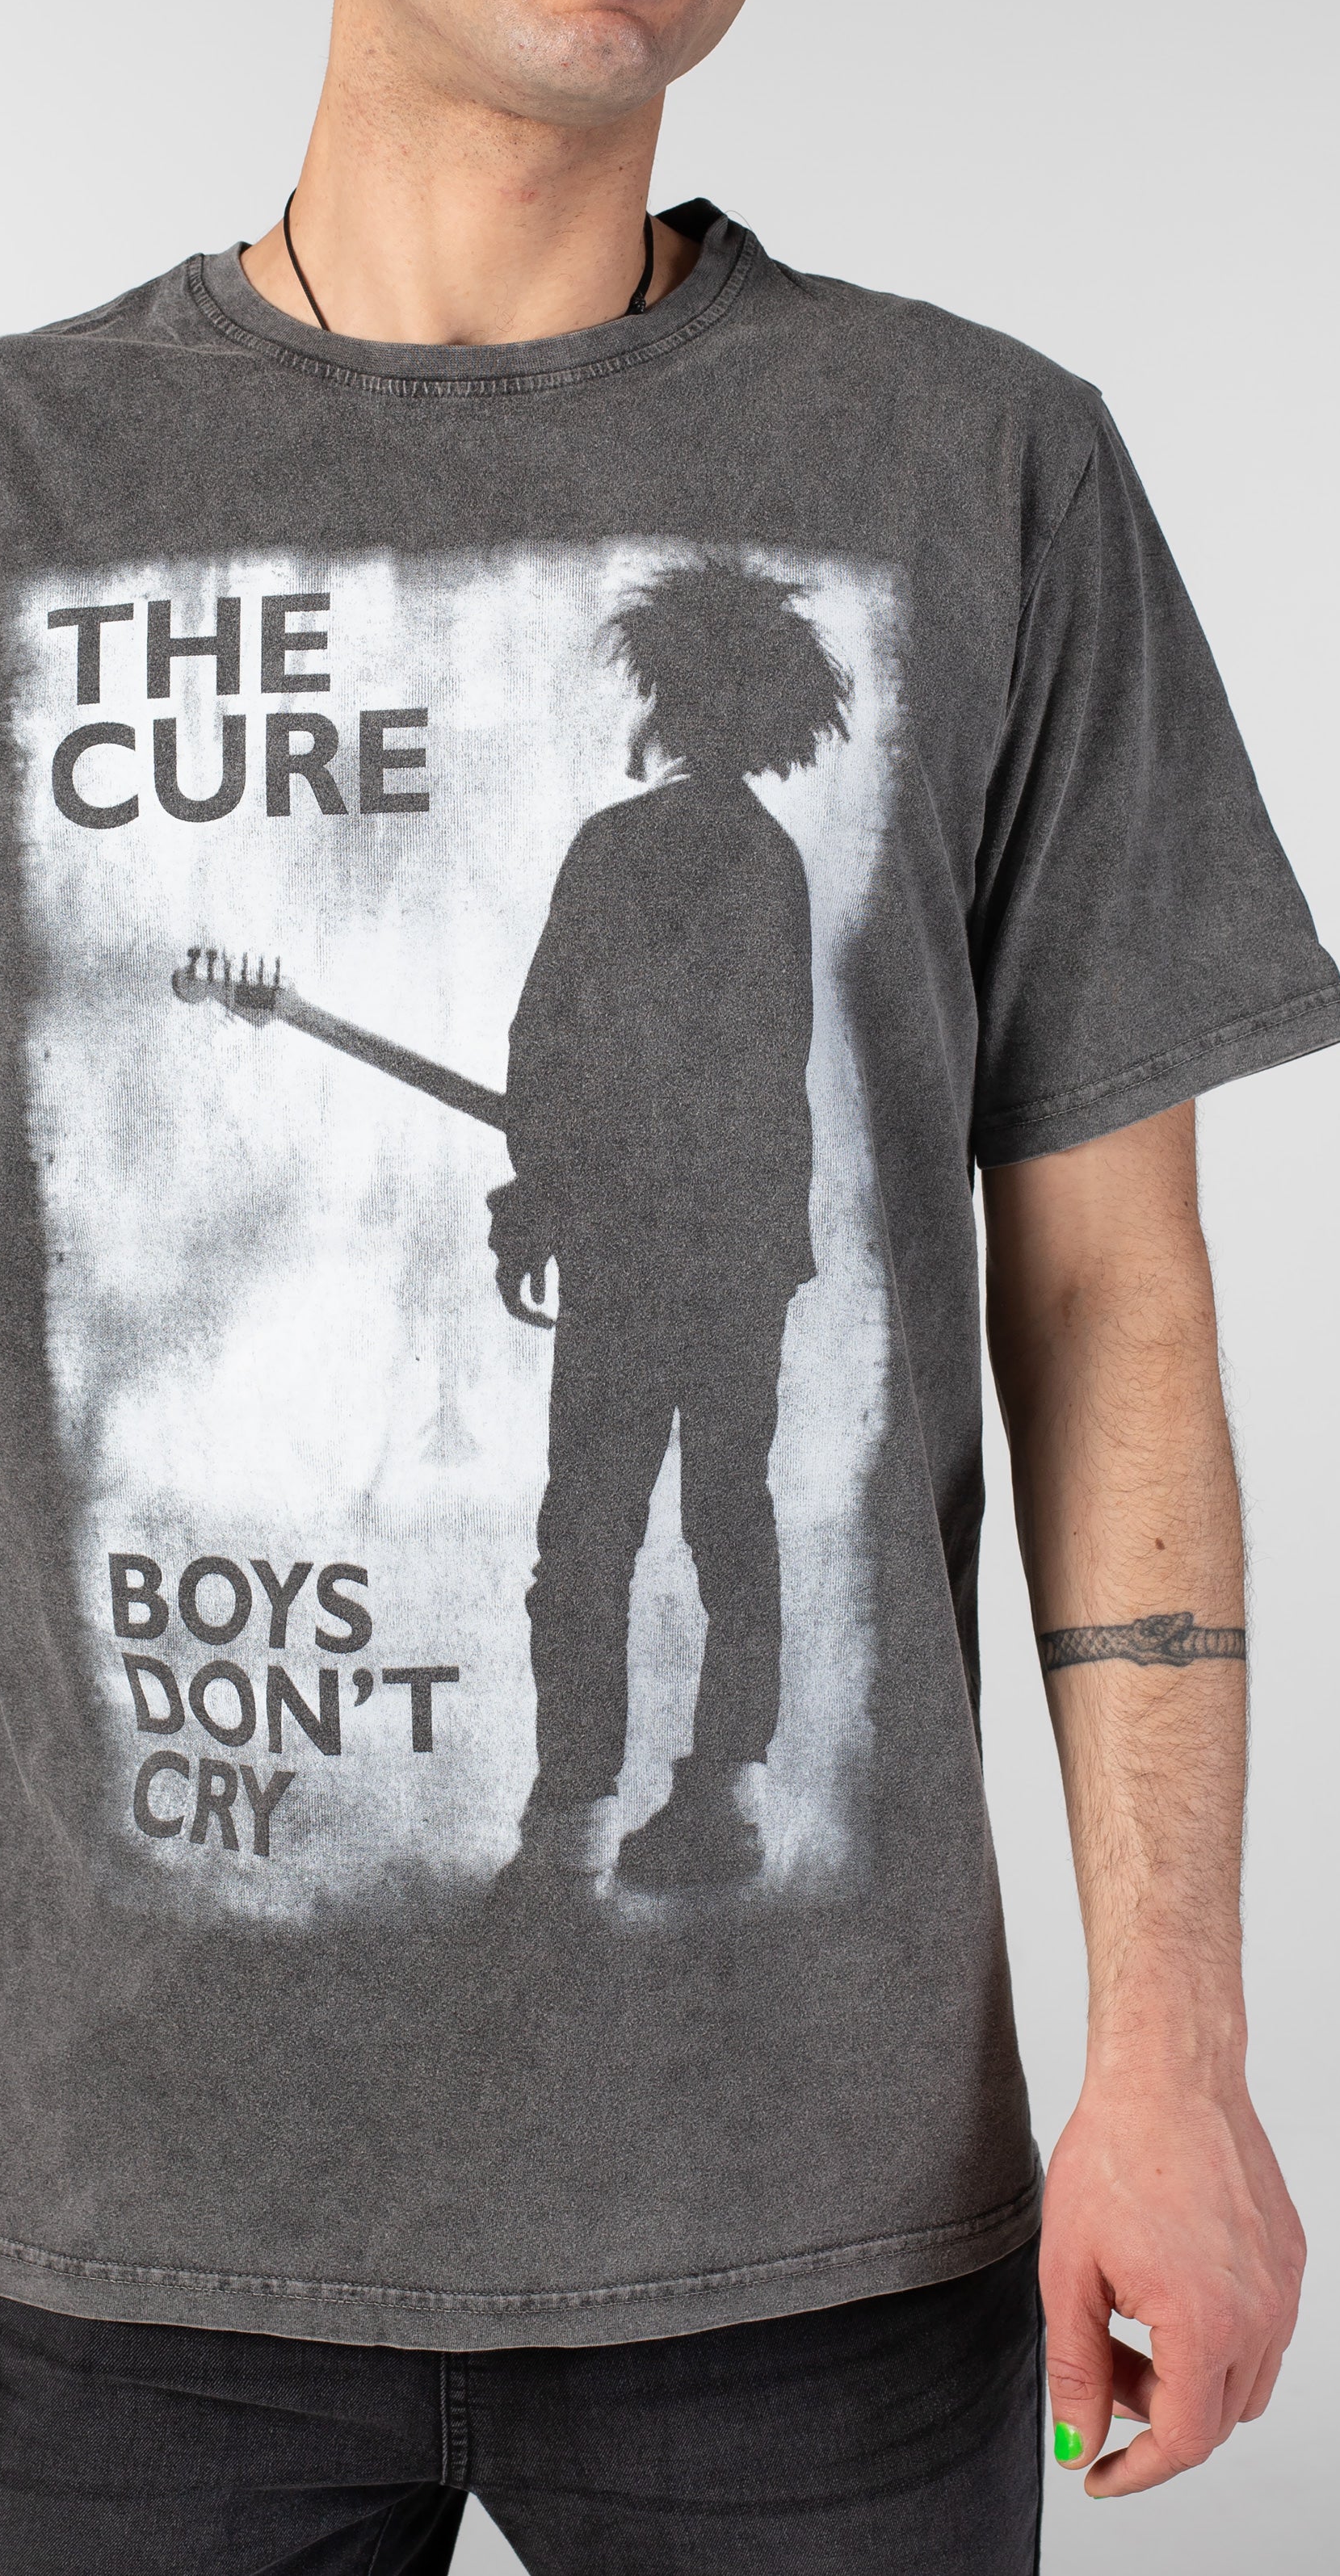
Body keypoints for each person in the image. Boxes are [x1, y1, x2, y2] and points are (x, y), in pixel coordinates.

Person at [0, 0, 1340, 2573]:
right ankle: (596, 1775)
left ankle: (655, 1798)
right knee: (594, 1545)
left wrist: (1178, 2062)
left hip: (824, 2243)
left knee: (671, 1551)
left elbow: (1112, 1303)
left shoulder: (979, 472)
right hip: (119, 2243)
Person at [493, 559, 846, 1891]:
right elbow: (758, 1074)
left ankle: (570, 1825)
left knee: (588, 1529)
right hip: (739, 1254)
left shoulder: (617, 847)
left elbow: (548, 1048)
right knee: (728, 1517)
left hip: (634, 1252)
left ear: (671, 695)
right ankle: (726, 1799)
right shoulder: (774, 862)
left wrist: (541, 1197)